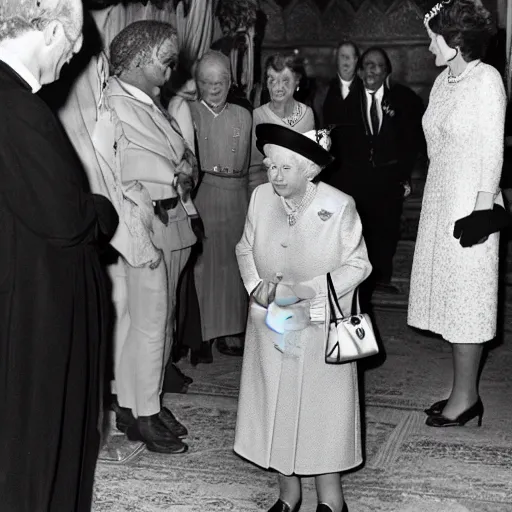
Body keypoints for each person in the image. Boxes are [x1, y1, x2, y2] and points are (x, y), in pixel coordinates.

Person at [0, 0, 119, 510]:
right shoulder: (18, 107)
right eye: (71, 47)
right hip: (35, 308)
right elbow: (69, 218)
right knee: (38, 438)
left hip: (21, 288)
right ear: (50, 31)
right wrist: (101, 210)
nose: (71, 59)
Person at [234, 123, 372, 512]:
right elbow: (245, 248)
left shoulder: (339, 205)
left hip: (319, 323)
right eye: (270, 167)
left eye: (285, 168)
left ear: (309, 168)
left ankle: (331, 500)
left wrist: (309, 293)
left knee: (321, 410)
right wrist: (254, 286)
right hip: (271, 323)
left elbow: (359, 265)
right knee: (275, 402)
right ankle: (288, 494)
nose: (275, 176)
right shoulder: (260, 198)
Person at [98, 20, 198, 453]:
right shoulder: (113, 103)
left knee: (158, 323)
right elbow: (116, 179)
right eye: (166, 59)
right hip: (141, 227)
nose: (171, 69)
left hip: (170, 221)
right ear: (138, 57)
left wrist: (186, 168)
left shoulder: (152, 101)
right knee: (145, 324)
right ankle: (140, 413)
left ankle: (142, 403)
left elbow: (178, 151)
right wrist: (139, 239)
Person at [408, 0, 507, 427]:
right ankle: (460, 391)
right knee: (450, 299)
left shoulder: (487, 81)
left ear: (454, 41)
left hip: (472, 204)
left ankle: (467, 399)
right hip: (441, 198)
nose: (429, 43)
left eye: (434, 36)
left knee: (469, 302)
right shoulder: (443, 83)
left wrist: (482, 211)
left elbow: (491, 149)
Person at [325, 46, 425, 307]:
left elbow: (412, 141)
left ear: (387, 71)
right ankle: (354, 276)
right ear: (359, 71)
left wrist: (403, 175)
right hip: (352, 178)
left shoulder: (404, 99)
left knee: (386, 228)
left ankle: (381, 276)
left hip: (387, 178)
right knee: (355, 229)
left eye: (378, 65)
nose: (371, 69)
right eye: (366, 65)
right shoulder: (345, 97)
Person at [190, 50, 252, 360]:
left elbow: (254, 167)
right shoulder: (187, 113)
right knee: (203, 267)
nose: (215, 88)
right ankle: (201, 333)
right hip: (203, 195)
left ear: (230, 82)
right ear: (197, 82)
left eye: (221, 81)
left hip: (238, 198)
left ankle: (231, 330)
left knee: (233, 265)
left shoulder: (243, 115)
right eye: (207, 82)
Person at [248, 53, 316, 196]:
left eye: (285, 80)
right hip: (267, 194)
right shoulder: (258, 116)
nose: (278, 87)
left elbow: (311, 167)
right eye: (272, 80)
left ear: (297, 81)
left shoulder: (308, 115)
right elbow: (253, 170)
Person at [322, 41, 361, 128]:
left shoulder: (367, 90)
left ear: (355, 60)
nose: (346, 59)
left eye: (349, 56)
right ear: (337, 60)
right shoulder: (324, 91)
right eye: (342, 56)